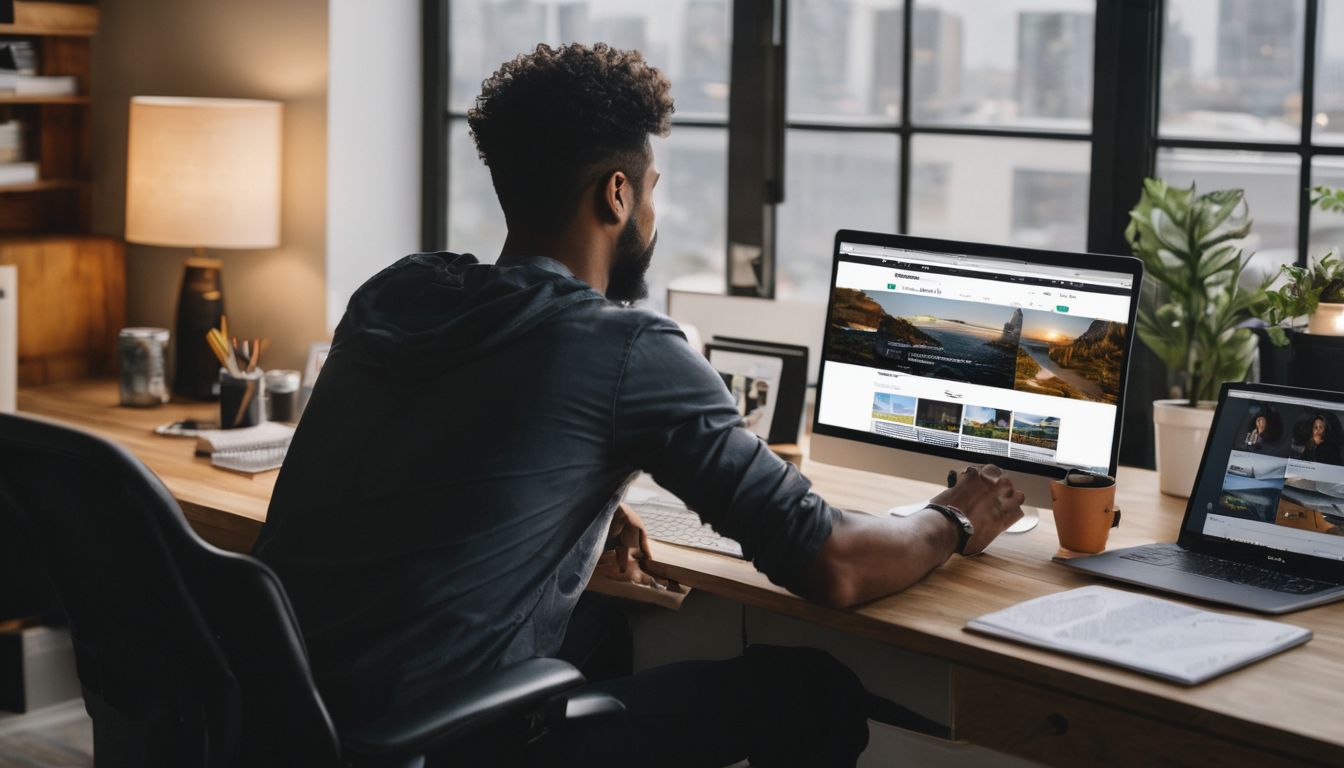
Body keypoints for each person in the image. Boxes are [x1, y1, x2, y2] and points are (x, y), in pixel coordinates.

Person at [253, 43, 1024, 767]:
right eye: (651, 190)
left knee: (594, 632)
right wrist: (955, 518)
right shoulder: (625, 348)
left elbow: (434, 444)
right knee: (810, 689)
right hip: (422, 742)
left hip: (287, 713)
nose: (652, 212)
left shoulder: (399, 288)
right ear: (615, 194)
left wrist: (571, 513)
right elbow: (833, 564)